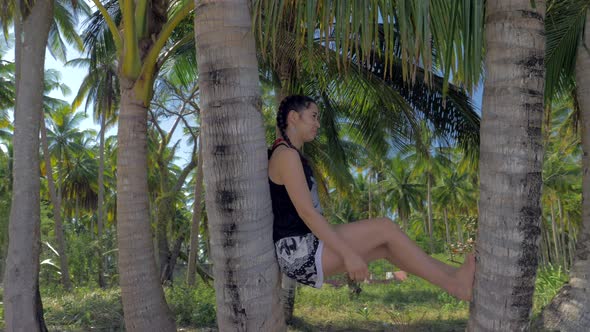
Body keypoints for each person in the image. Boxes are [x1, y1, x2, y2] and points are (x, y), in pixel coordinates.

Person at [268, 95, 475, 301]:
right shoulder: (286, 155)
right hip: (297, 251)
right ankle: (456, 286)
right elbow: (307, 213)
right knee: (384, 227)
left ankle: (453, 277)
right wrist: (349, 255)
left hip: (303, 245)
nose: (318, 124)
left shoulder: (289, 154)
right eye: (313, 116)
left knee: (386, 247)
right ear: (294, 117)